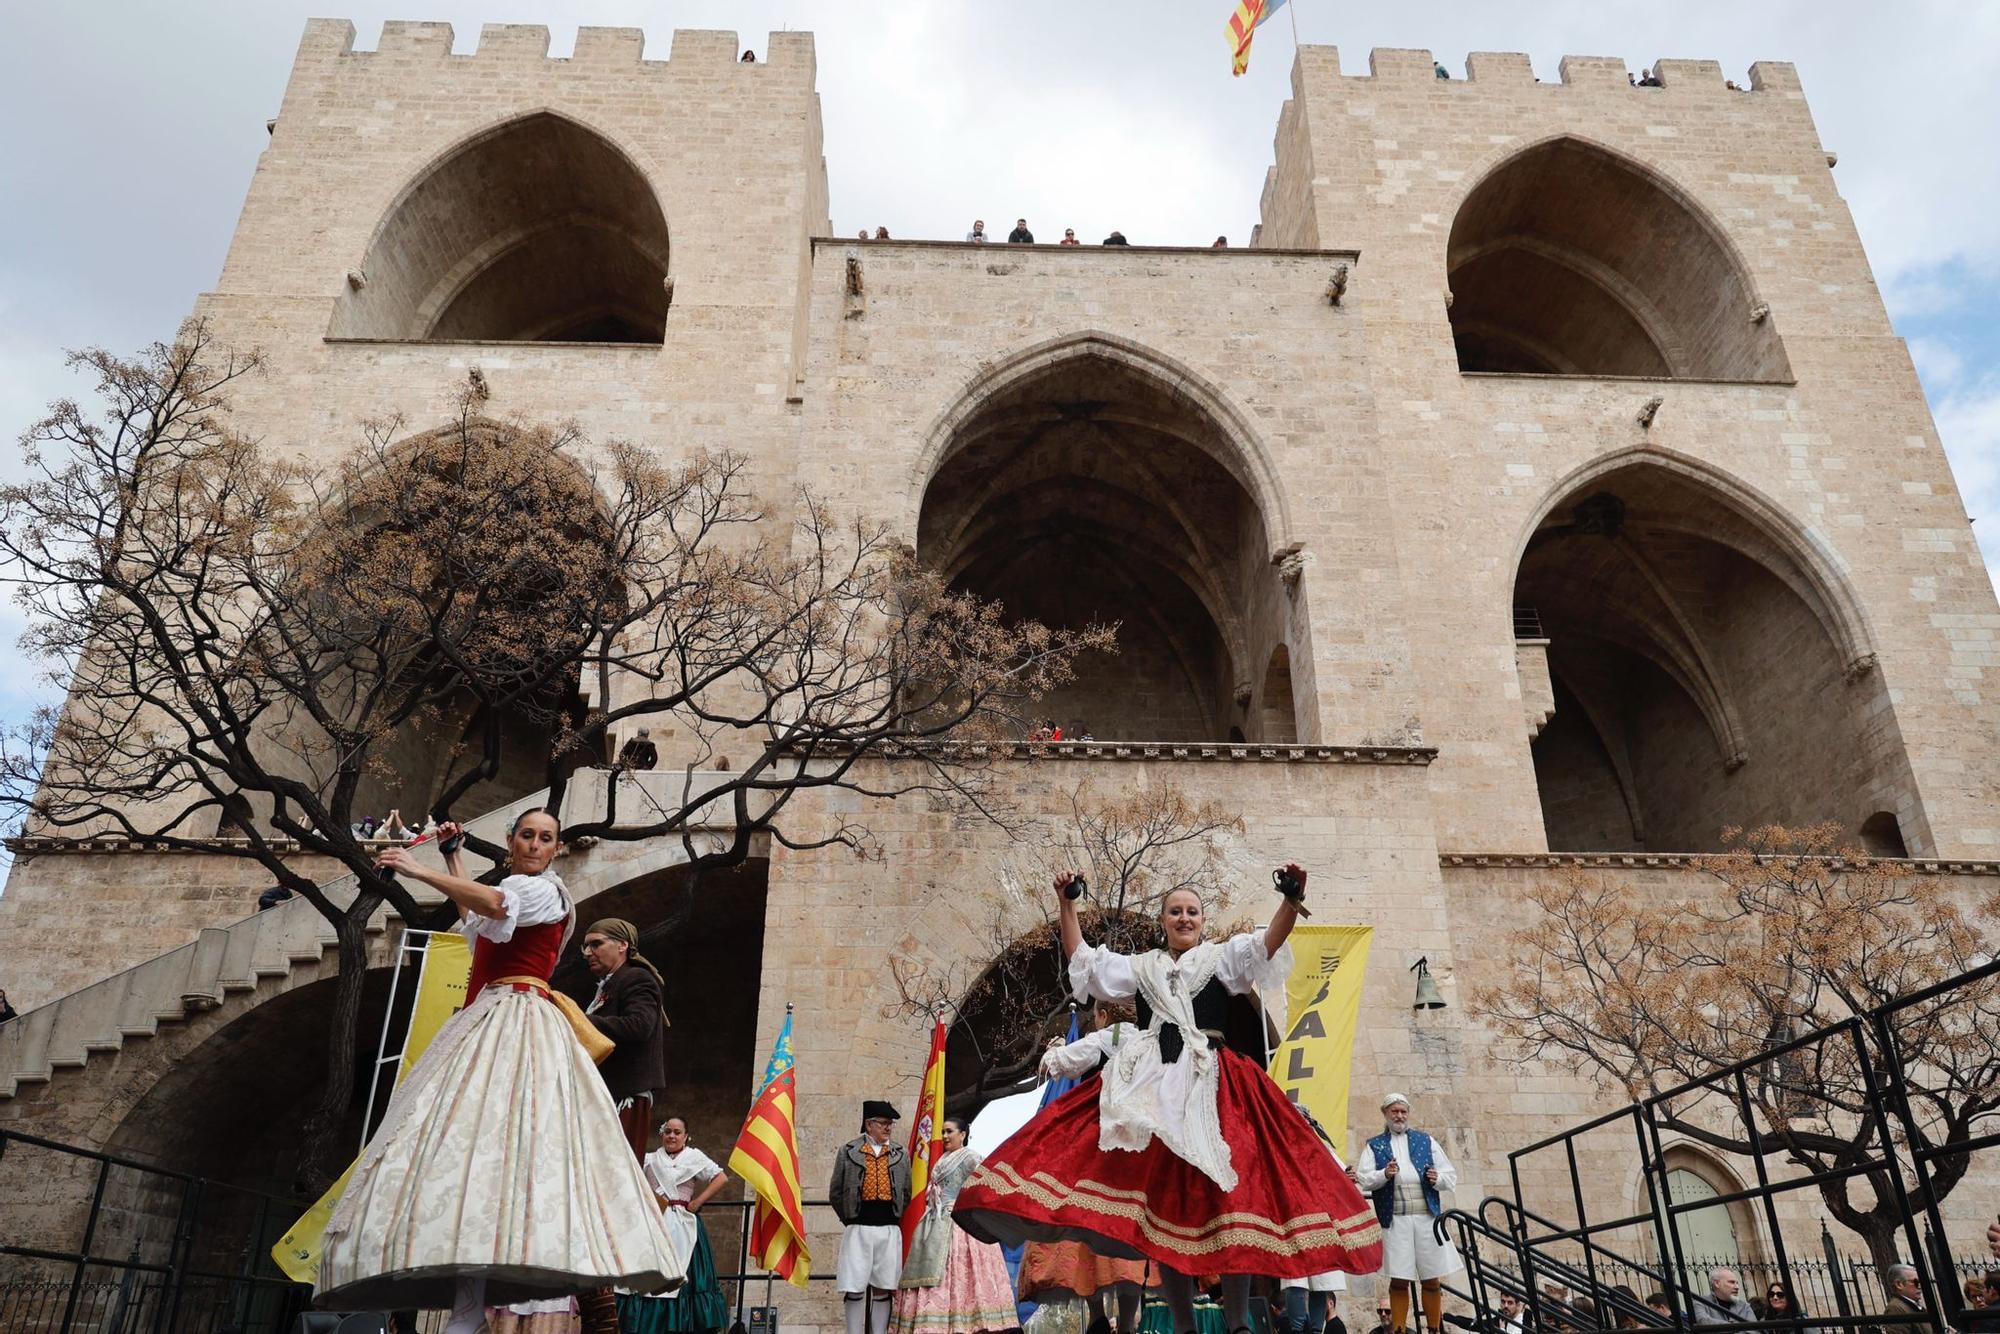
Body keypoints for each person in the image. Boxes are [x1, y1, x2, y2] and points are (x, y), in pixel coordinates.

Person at [955, 865, 1383, 1334]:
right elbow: (1085, 963)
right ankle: (1183, 1326)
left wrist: (1289, 901)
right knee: (1167, 1216)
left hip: (1218, 1088)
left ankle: (1238, 1323)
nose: (1184, 918)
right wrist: (1068, 904)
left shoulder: (1222, 958)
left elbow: (1267, 946)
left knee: (1234, 1202)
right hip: (1155, 1093)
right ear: (1163, 919)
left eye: (1192, 912)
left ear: (1202, 920)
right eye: (1176, 911)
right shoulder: (1141, 967)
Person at [315, 810, 686, 1334]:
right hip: (489, 1015)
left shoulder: (548, 892)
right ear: (511, 841)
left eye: (546, 838)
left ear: (556, 849)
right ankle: (466, 1314)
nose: (535, 845)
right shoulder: (515, 887)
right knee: (472, 1151)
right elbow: (481, 916)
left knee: (506, 1145)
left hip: (517, 1015)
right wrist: (451, 855)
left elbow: (496, 904)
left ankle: (510, 1311)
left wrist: (418, 870)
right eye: (527, 835)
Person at [891, 1117, 1017, 1334]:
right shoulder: (943, 1159)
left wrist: (971, 1207)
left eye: (949, 1131)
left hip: (959, 1225)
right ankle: (934, 1322)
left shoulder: (970, 1156)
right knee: (937, 1275)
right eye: (943, 1132)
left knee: (962, 1274)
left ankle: (964, 1322)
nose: (945, 1136)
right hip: (935, 1222)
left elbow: (986, 1181)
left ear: (963, 1134)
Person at [1354, 1094, 1460, 1334]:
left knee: (1432, 1276)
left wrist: (1437, 1179)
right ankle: (1399, 1329)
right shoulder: (1375, 1144)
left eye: (1403, 1111)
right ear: (1385, 1114)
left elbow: (1449, 1175)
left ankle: (1434, 1329)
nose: (1399, 1116)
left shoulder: (1426, 1141)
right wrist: (1385, 1174)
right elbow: (1364, 1178)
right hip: (1396, 1218)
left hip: (1426, 1216)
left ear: (1407, 1113)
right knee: (1399, 1277)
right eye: (1394, 1111)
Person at [619, 1116, 732, 1334]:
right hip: (654, 1222)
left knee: (684, 1274)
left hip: (682, 1221)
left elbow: (721, 1178)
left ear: (686, 1136)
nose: (672, 1136)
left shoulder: (694, 1157)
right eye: (668, 1131)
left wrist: (698, 1201)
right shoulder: (649, 1159)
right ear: (662, 1134)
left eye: (677, 1132)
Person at [581, 917, 669, 1156]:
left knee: (615, 1172)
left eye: (596, 944)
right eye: (585, 946)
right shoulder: (610, 984)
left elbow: (639, 1026)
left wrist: (580, 1021)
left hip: (625, 1096)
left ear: (622, 945)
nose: (588, 952)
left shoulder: (636, 978)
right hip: (607, 1093)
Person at [833, 1101, 913, 1334]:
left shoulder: (901, 1153)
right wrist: (849, 1218)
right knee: (854, 1285)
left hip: (888, 1227)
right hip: (858, 1227)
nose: (888, 1128)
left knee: (884, 1286)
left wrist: (895, 1214)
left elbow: (906, 1191)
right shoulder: (848, 1151)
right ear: (869, 1125)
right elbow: (836, 1191)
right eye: (883, 1123)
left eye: (890, 1124)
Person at [1877, 1265, 1932, 1334]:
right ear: (1899, 1285)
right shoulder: (1896, 1309)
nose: (1919, 1286)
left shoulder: (1912, 1305)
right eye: (1915, 1282)